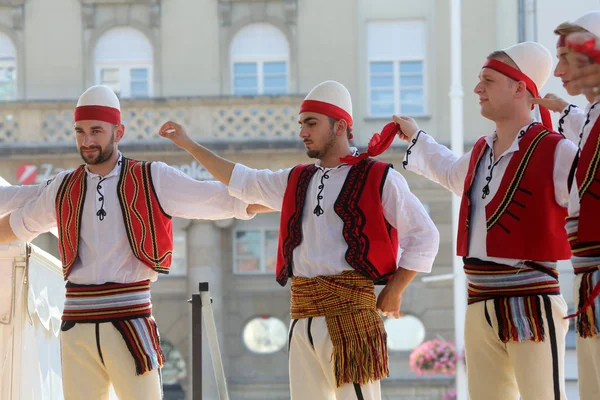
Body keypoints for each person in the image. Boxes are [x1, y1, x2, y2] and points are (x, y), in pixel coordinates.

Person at [158, 80, 439, 400]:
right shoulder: (298, 179)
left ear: (340, 126)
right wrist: (190, 145)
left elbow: (425, 235)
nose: (302, 132)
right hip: (302, 317)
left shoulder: (380, 178)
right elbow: (243, 180)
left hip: (349, 315)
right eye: (301, 124)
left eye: (311, 123)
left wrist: (395, 289)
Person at [0, 85, 264, 400]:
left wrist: (286, 197)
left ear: (118, 132)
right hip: (77, 324)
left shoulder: (153, 177)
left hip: (129, 320)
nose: (87, 141)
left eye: (96, 131)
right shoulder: (62, 186)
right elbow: (17, 223)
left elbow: (223, 200)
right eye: (80, 132)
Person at [395, 42, 578, 400]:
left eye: (488, 80)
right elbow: (447, 169)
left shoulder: (557, 150)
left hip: (532, 301)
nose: (478, 88)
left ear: (520, 87)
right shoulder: (480, 151)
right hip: (479, 301)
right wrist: (416, 135)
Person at [534, 11, 600, 400]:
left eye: (565, 58)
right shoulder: (590, 117)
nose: (557, 70)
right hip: (588, 277)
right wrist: (562, 109)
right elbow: (585, 125)